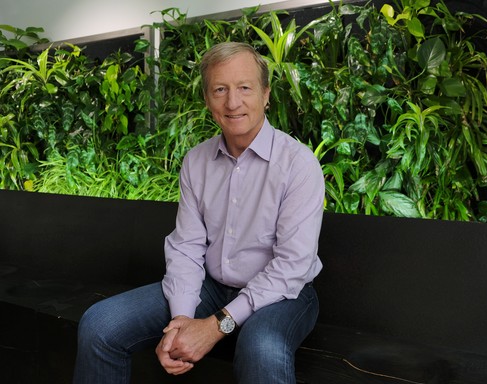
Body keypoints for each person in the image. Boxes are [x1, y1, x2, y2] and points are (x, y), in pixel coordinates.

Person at [73, 41, 325, 384]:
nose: (232, 102)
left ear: (266, 94)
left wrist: (215, 326)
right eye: (220, 89)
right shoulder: (196, 161)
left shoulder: (298, 164)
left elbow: (291, 266)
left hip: (285, 294)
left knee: (260, 347)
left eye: (245, 88)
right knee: (100, 325)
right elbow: (187, 245)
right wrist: (182, 321)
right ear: (207, 100)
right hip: (213, 286)